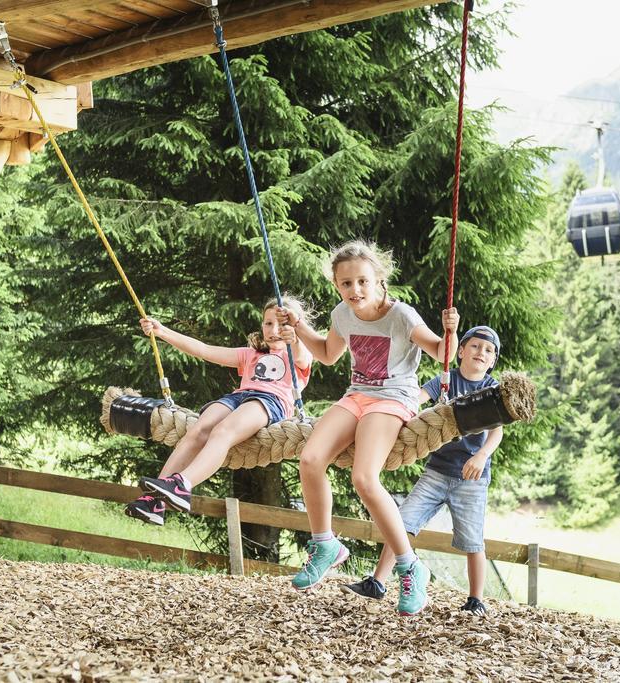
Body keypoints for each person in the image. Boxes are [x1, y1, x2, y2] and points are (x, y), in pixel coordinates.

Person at [277, 240, 459, 616]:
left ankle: (410, 566)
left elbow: (442, 354)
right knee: (310, 459)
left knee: (364, 477)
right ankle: (325, 544)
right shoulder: (342, 314)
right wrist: (300, 327)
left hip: (393, 398)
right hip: (357, 395)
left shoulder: (402, 316)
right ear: (336, 286)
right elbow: (327, 354)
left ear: (379, 280)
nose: (354, 290)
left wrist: (451, 332)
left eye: (362, 281)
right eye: (346, 284)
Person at [341, 326, 503, 617]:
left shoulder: (491, 389)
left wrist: (481, 455)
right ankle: (378, 582)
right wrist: (397, 410)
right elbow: (415, 399)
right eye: (475, 346)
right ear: (461, 351)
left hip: (471, 478)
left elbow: (496, 433)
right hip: (437, 471)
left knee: (473, 540)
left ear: (493, 361)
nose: (481, 353)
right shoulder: (446, 381)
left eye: (488, 350)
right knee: (402, 523)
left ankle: (476, 599)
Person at [125, 297, 313, 526]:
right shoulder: (251, 354)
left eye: (281, 324)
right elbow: (204, 350)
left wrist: (294, 336)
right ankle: (155, 502)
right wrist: (162, 331)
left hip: (270, 402)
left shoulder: (297, 355)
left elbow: (301, 354)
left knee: (223, 431)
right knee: (198, 430)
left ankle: (182, 484)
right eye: (268, 323)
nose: (273, 330)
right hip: (238, 397)